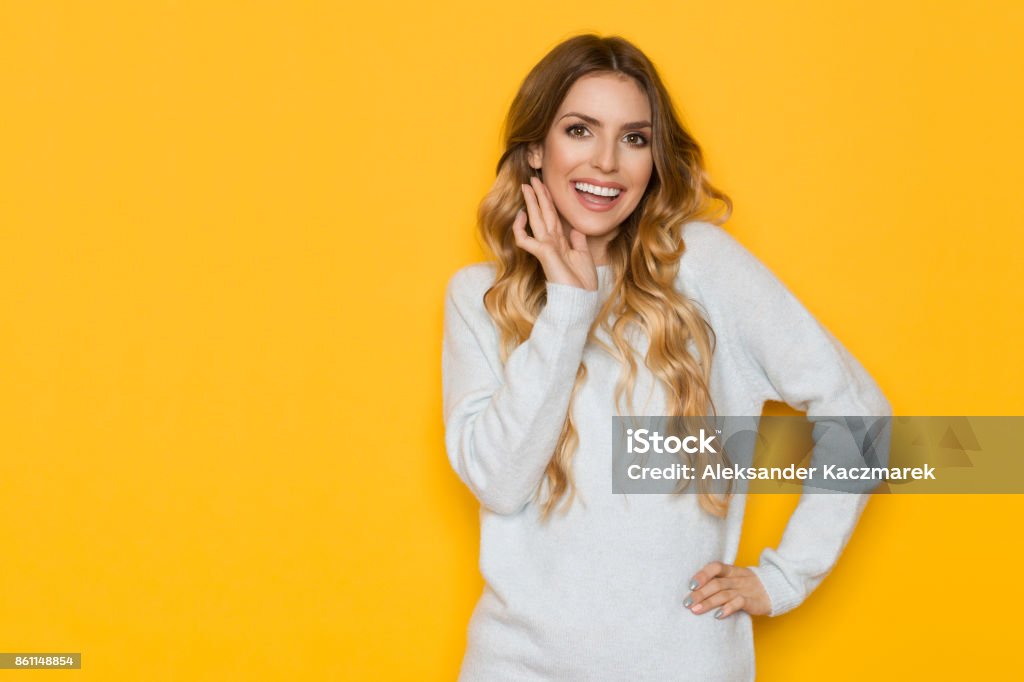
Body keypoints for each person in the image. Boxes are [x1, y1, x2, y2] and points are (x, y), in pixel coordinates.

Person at [441, 33, 891, 681]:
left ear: (654, 160)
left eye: (634, 138)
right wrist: (569, 303)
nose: (606, 163)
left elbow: (858, 410)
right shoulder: (478, 300)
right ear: (535, 149)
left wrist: (786, 577)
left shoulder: (701, 265)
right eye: (579, 130)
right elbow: (501, 482)